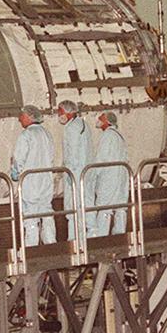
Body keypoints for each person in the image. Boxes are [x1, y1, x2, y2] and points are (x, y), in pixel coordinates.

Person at [10, 105, 56, 247]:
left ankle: (31, 248)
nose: (19, 119)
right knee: (46, 213)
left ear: (29, 117)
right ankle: (51, 244)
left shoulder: (26, 135)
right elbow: (52, 155)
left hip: (30, 183)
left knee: (30, 216)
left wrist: (15, 174)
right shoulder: (47, 134)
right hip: (46, 181)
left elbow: (18, 159)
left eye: (22, 116)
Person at [85, 111, 129, 237]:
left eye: (101, 118)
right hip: (120, 175)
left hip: (109, 176)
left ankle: (101, 236)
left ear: (107, 121)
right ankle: (120, 235)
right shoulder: (119, 136)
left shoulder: (107, 136)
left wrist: (92, 175)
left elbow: (101, 158)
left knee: (105, 207)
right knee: (120, 207)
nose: (98, 119)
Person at [57, 100, 92, 241]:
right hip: (84, 172)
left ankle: (75, 240)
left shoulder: (71, 128)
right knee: (85, 206)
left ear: (69, 112)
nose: (59, 115)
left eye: (60, 112)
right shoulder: (83, 125)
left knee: (74, 208)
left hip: (75, 172)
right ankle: (88, 237)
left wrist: (68, 173)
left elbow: (72, 153)